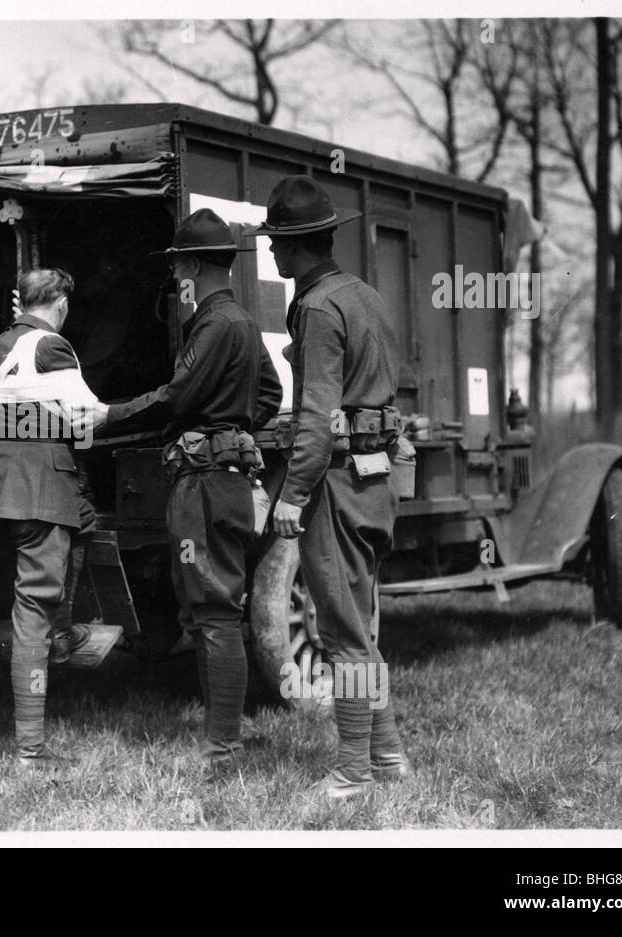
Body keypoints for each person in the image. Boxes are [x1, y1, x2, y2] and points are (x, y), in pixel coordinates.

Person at [90, 209, 283, 768]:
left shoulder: (214, 323)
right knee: (208, 610)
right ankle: (222, 736)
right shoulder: (240, 323)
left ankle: (223, 746)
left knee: (214, 612)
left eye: (178, 263)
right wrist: (234, 421)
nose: (176, 274)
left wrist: (110, 415)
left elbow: (174, 397)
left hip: (203, 483)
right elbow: (268, 393)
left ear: (193, 263)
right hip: (227, 477)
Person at [253, 174, 412, 799]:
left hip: (338, 482)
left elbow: (317, 419)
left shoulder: (318, 307)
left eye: (276, 242)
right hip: (376, 477)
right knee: (358, 626)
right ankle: (389, 755)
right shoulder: (362, 294)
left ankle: (352, 771)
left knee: (342, 634)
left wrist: (291, 495)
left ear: (297, 247)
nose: (270, 251)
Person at [0, 267, 108, 768]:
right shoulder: (53, 345)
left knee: (73, 541)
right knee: (32, 607)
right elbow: (83, 417)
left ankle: (65, 628)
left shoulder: (1, 343)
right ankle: (30, 748)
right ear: (62, 304)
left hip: (3, 479)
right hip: (43, 483)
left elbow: (4, 412)